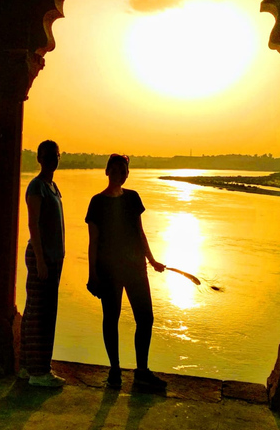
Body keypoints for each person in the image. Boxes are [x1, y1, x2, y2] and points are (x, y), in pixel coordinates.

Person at [85, 153, 168, 390]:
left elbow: (140, 233)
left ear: (127, 174)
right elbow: (93, 241)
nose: (120, 174)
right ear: (107, 171)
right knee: (111, 319)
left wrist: (152, 260)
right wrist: (92, 275)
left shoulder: (133, 198)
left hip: (135, 267)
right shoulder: (97, 202)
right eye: (116, 169)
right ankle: (115, 370)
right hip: (109, 269)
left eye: (124, 171)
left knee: (146, 318)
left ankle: (141, 371)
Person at [20, 140, 67, 387]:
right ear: (39, 158)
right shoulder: (37, 186)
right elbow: (33, 224)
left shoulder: (52, 186)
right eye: (48, 156)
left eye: (55, 155)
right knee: (42, 315)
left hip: (51, 256)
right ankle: (40, 372)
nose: (52, 160)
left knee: (35, 311)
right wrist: (40, 259)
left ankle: (28, 366)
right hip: (43, 257)